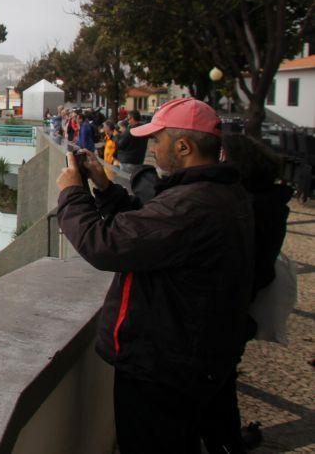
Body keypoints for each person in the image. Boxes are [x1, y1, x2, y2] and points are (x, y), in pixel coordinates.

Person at [55, 98, 254, 454]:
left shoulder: (192, 205)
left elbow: (104, 245)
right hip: (188, 357)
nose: (153, 148)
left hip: (163, 367)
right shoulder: (215, 194)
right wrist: (105, 189)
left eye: (157, 140)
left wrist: (71, 192)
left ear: (183, 146)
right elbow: (150, 233)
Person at [199, 134, 293, 454]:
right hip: (238, 314)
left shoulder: (245, 208)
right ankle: (226, 442)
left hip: (224, 315)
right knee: (221, 389)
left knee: (214, 390)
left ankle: (224, 443)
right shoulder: (268, 203)